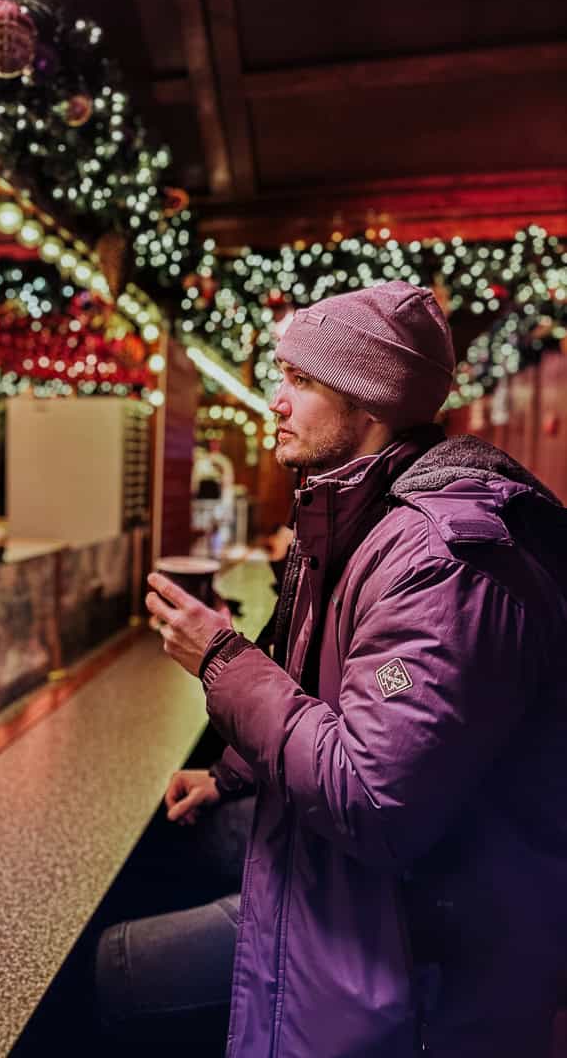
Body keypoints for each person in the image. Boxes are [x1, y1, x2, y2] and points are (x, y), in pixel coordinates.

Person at [97, 280, 567, 1057]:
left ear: (370, 401)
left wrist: (222, 660)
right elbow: (337, 687)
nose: (275, 403)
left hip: (419, 945)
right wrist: (234, 776)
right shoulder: (361, 511)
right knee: (189, 836)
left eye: (302, 382)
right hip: (376, 895)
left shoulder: (441, 560)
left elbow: (376, 798)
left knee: (114, 967)